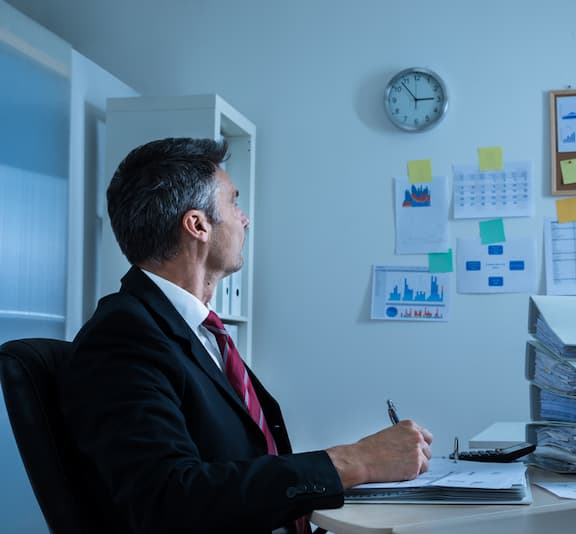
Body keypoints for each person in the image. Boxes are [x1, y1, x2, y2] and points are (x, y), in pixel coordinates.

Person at [58, 137, 433, 533]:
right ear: (198, 225)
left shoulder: (194, 331)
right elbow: (167, 499)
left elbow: (235, 463)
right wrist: (355, 461)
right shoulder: (123, 338)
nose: (244, 219)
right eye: (234, 203)